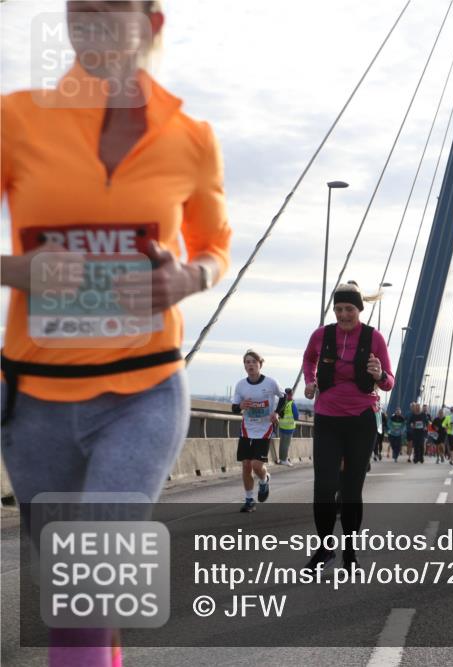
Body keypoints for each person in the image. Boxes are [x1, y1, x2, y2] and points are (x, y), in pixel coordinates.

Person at [0, 2, 231, 663]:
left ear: (150, 24)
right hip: (35, 400)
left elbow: (214, 246)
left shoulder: (191, 137)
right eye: (81, 7)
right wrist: (19, 269)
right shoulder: (16, 120)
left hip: (145, 390)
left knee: (91, 570)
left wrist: (186, 278)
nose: (92, 19)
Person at [302, 282, 394, 570]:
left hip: (361, 420)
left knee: (352, 490)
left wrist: (379, 375)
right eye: (338, 309)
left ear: (359, 310)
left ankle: (350, 551)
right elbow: (309, 358)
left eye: (349, 309)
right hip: (328, 418)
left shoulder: (374, 338)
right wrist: (310, 380)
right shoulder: (321, 335)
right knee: (324, 488)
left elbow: (389, 382)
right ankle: (325, 548)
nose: (343, 315)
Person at [232, 350, 284, 512]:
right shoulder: (241, 385)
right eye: (247, 362)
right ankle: (249, 500)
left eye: (254, 362)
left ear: (260, 364)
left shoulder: (270, 383)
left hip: (264, 429)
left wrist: (277, 413)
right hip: (247, 429)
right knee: (246, 465)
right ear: (244, 366)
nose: (250, 365)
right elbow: (234, 408)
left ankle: (264, 480)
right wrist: (240, 406)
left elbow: (284, 397)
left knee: (256, 464)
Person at [277, 387, 299, 466]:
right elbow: (296, 416)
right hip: (289, 427)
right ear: (290, 395)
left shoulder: (282, 403)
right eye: (291, 394)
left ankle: (281, 459)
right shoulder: (291, 404)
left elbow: (278, 413)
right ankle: (284, 460)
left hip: (281, 426)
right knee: (286, 444)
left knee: (282, 444)